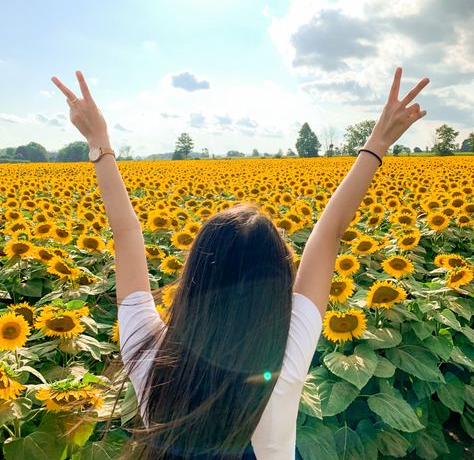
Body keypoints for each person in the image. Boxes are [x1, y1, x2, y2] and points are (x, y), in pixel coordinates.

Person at [51, 67, 429, 459]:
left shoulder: (148, 352)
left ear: (193, 275)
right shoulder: (287, 355)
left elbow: (126, 234)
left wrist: (99, 142)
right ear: (278, 278)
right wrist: (377, 143)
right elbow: (329, 232)